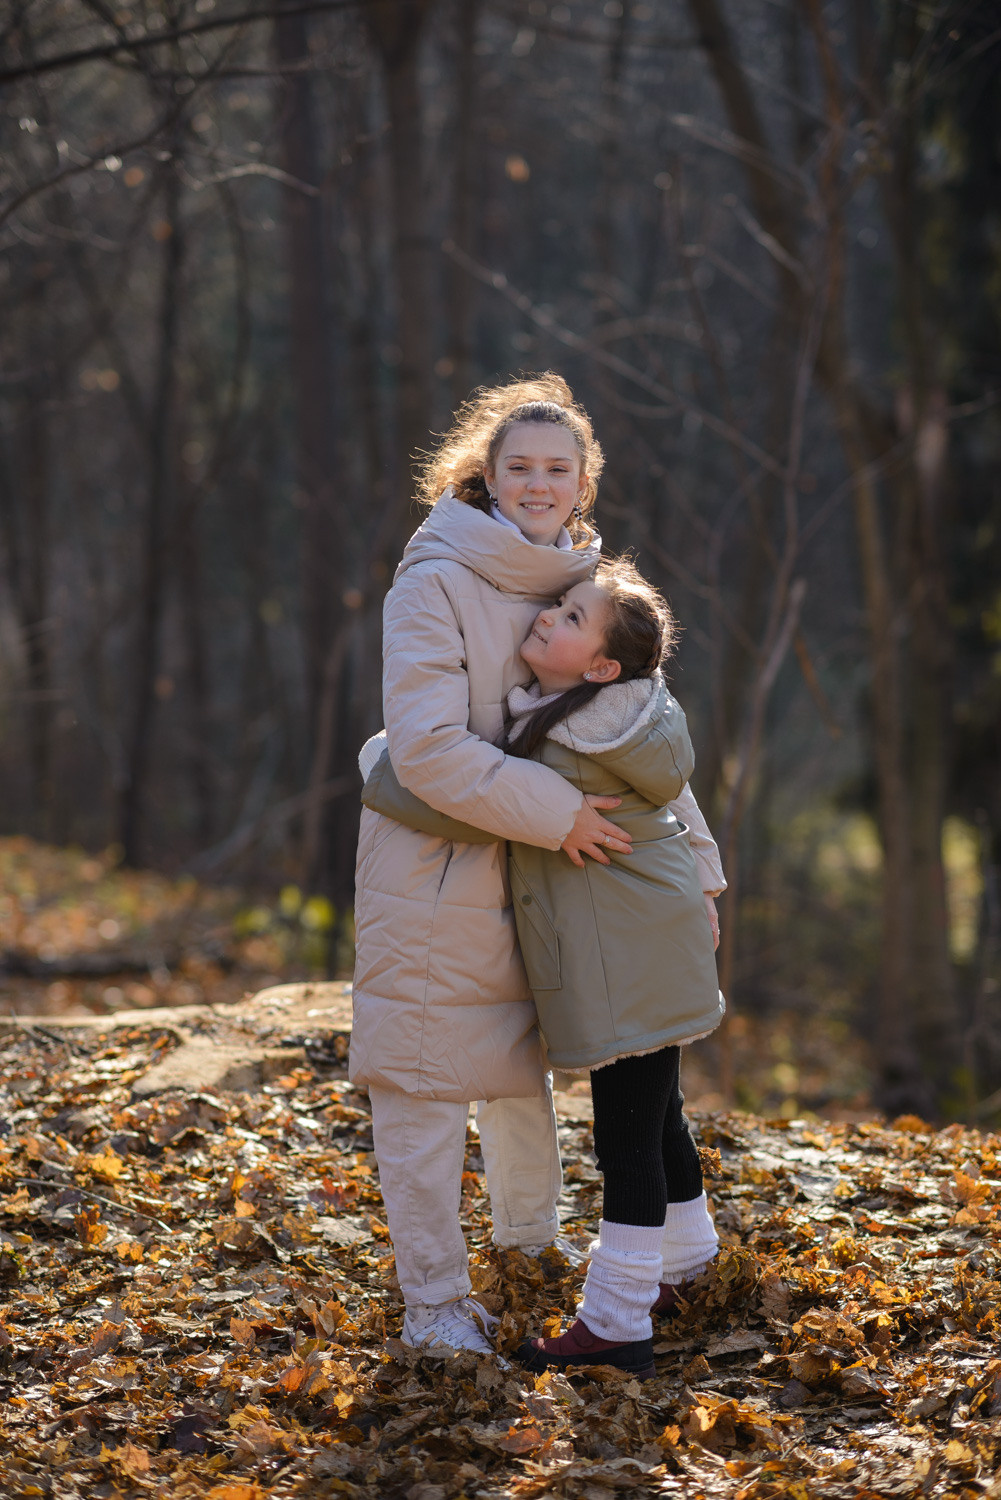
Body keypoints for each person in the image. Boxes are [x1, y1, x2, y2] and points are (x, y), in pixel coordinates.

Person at [353, 375, 725, 1361]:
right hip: (441, 865)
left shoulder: (580, 584)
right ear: (484, 472)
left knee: (523, 1079)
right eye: (517, 466)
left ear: (582, 481)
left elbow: (629, 729)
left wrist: (698, 865)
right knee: (426, 1082)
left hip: (561, 875)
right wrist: (557, 814)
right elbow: (426, 749)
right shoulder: (433, 578)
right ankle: (432, 1301)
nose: (537, 483)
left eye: (556, 468)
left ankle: (535, 1250)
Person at [502, 558, 724, 1379]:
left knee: (626, 1139)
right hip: (649, 933)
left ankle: (616, 1323)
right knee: (659, 1113)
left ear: (600, 667)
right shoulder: (622, 715)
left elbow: (472, 792)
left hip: (624, 948)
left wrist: (385, 767)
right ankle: (687, 1266)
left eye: (568, 615)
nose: (548, 616)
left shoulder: (571, 732)